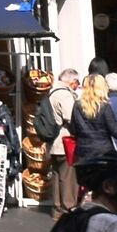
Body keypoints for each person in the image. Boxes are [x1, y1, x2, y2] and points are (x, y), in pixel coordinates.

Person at [44, 68, 82, 214]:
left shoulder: (51, 93)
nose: (77, 86)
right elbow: (71, 118)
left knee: (57, 174)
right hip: (64, 141)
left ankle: (57, 207)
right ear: (72, 81)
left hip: (53, 141)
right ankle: (68, 207)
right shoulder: (65, 95)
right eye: (77, 83)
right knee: (68, 175)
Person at [68, 73, 117, 165]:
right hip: (103, 152)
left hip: (83, 152)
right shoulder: (104, 106)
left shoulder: (77, 105)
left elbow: (73, 130)